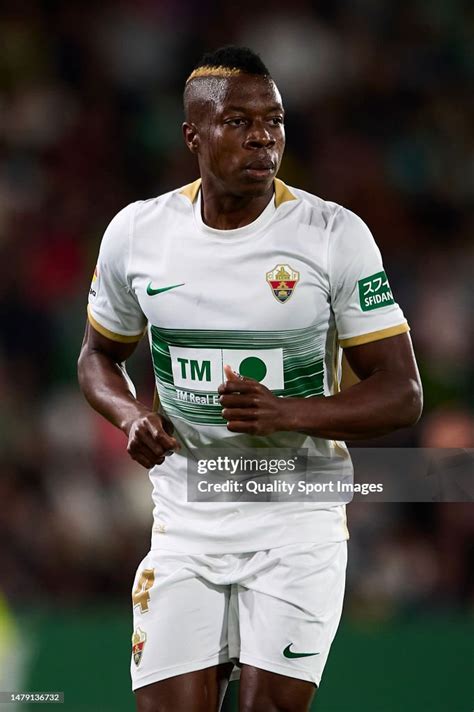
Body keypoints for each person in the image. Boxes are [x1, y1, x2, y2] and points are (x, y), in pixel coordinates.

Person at [78, 46, 422, 712]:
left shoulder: (333, 235)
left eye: (275, 120)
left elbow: (402, 393)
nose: (263, 135)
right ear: (192, 136)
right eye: (238, 121)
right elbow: (97, 355)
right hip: (188, 514)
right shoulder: (138, 233)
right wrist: (130, 415)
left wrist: (291, 413)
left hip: (297, 516)